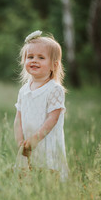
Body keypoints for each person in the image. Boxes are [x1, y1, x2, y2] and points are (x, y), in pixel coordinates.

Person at [13, 30, 69, 180]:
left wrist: (36, 139)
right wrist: (20, 141)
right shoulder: (24, 90)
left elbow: (53, 119)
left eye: (41, 57)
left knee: (49, 175)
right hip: (28, 143)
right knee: (26, 176)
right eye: (30, 57)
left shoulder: (54, 89)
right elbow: (18, 119)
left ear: (54, 65)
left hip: (46, 143)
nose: (34, 60)